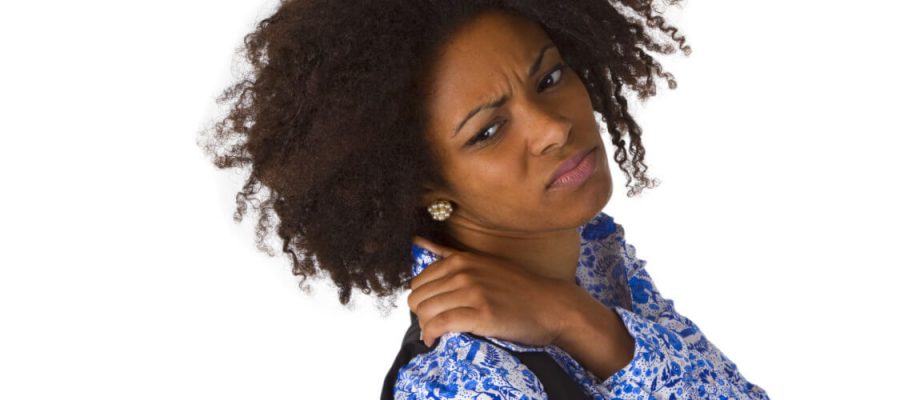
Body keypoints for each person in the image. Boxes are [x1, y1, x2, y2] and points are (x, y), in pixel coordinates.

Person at [200, 0, 770, 398]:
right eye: (488, 131)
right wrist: (569, 319)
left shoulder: (593, 261)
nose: (553, 128)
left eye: (549, 79)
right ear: (425, 184)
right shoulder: (469, 382)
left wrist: (577, 320)